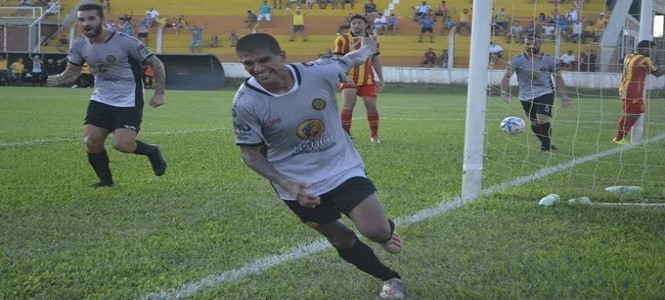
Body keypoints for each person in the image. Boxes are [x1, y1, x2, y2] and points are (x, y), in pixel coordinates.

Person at [231, 32, 405, 300]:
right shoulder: (246, 102)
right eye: (249, 64)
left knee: (376, 231)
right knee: (342, 239)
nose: (258, 69)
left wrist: (368, 48)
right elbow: (250, 155)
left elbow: (351, 59)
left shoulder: (317, 72)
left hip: (341, 165)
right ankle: (390, 277)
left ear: (282, 56)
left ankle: (385, 231)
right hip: (296, 184)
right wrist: (288, 183)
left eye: (265, 60)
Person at [46, 3, 167, 187]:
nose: (86, 23)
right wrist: (58, 79)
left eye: (91, 18)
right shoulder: (79, 45)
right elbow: (72, 72)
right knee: (91, 141)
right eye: (81, 19)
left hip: (128, 98)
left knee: (122, 145)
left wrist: (159, 94)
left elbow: (157, 64)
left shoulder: (126, 41)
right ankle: (106, 181)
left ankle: (152, 151)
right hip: (100, 97)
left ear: (102, 19)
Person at [500, 35, 572, 152]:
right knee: (534, 122)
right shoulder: (516, 60)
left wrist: (564, 96)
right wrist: (504, 92)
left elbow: (558, 79)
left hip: (545, 92)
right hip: (525, 95)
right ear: (524, 44)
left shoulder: (550, 60)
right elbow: (506, 77)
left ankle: (546, 148)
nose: (531, 46)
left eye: (534, 44)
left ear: (540, 44)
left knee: (542, 117)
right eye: (528, 44)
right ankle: (547, 144)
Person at [333, 14, 384, 143]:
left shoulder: (372, 40)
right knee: (349, 105)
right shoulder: (342, 39)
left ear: (365, 25)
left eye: (359, 23)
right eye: (354, 23)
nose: (356, 25)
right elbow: (337, 60)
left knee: (371, 106)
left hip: (368, 79)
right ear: (350, 25)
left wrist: (381, 78)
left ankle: (374, 135)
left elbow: (376, 60)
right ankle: (346, 136)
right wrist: (342, 77)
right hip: (349, 78)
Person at [613, 40, 665, 145]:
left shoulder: (629, 56)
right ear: (646, 49)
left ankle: (620, 137)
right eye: (653, 50)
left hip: (625, 88)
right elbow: (657, 73)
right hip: (633, 91)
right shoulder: (644, 59)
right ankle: (618, 139)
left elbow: (620, 61)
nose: (654, 52)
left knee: (636, 112)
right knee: (630, 114)